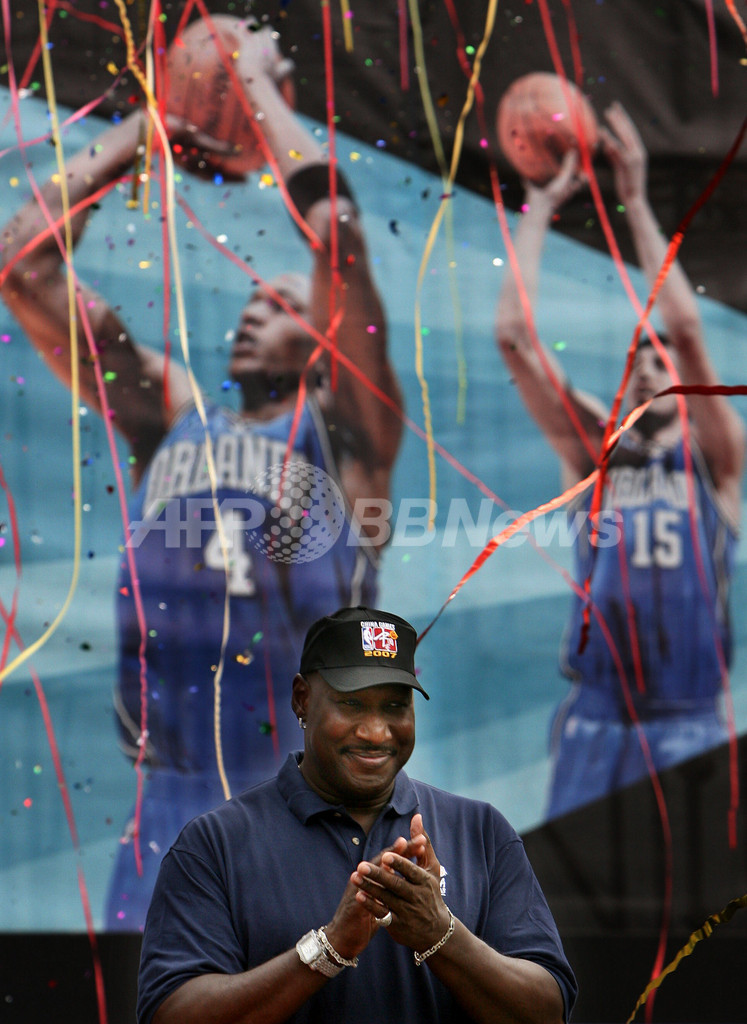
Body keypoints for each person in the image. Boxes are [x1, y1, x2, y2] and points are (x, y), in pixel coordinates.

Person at [0, 24, 402, 927]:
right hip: (171, 807)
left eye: (284, 301)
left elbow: (336, 237)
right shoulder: (171, 414)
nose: (258, 303)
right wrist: (148, 127)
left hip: (307, 808)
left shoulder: (350, 434)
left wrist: (252, 86)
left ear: (327, 340)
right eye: (254, 295)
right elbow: (23, 266)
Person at [136, 605, 578, 1024]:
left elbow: (546, 1012)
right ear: (302, 699)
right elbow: (171, 1013)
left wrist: (440, 933)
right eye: (351, 704)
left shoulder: (479, 832)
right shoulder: (215, 843)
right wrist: (328, 949)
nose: (375, 732)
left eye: (395, 706)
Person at [495, 102, 745, 819]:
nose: (646, 367)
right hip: (596, 722)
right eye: (635, 360)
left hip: (689, 723)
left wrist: (634, 198)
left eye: (659, 358)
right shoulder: (592, 455)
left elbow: (685, 328)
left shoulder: (715, 458)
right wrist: (539, 209)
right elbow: (513, 336)